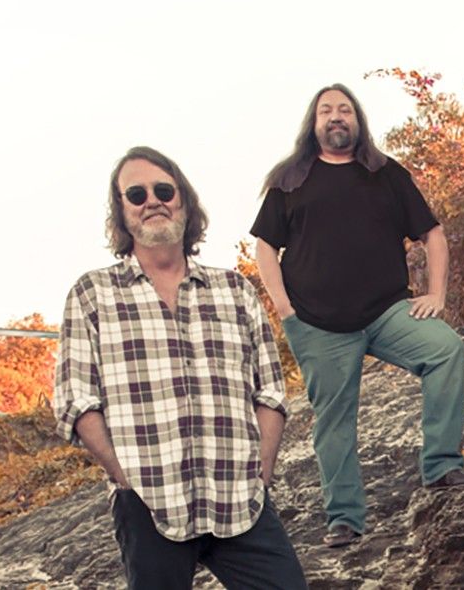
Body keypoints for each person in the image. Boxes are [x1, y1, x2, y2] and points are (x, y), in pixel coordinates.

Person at [53, 146, 306, 589]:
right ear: (121, 211)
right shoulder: (92, 293)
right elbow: (76, 401)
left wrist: (262, 470)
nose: (152, 200)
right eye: (136, 194)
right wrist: (124, 477)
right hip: (148, 501)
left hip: (239, 497)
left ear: (184, 202)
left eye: (164, 190)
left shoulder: (234, 290)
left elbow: (269, 391)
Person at [251, 83, 464, 548]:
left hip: (387, 311)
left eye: (345, 109)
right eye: (326, 110)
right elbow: (264, 247)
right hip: (318, 323)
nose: (336, 116)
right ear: (313, 122)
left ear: (357, 120)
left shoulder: (386, 173)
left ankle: (441, 466)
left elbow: (433, 235)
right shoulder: (289, 179)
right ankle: (344, 517)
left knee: (444, 349)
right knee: (334, 420)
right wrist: (285, 309)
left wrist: (437, 293)